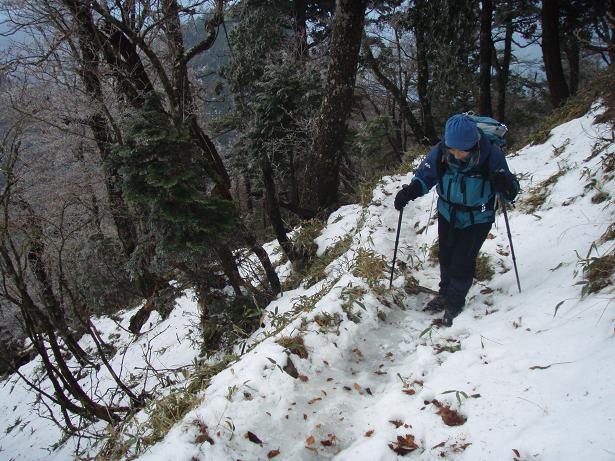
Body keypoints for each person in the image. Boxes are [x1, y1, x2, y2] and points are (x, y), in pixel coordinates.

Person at [394, 114, 519, 326]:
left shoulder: (491, 155)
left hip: (478, 217)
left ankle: (455, 301)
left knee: (463, 261)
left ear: (473, 144)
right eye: (452, 149)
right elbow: (426, 176)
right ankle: (445, 293)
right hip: (447, 212)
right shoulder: (442, 151)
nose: (456, 154)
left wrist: (504, 183)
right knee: (447, 256)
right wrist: (410, 191)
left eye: (461, 150)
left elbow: (510, 192)